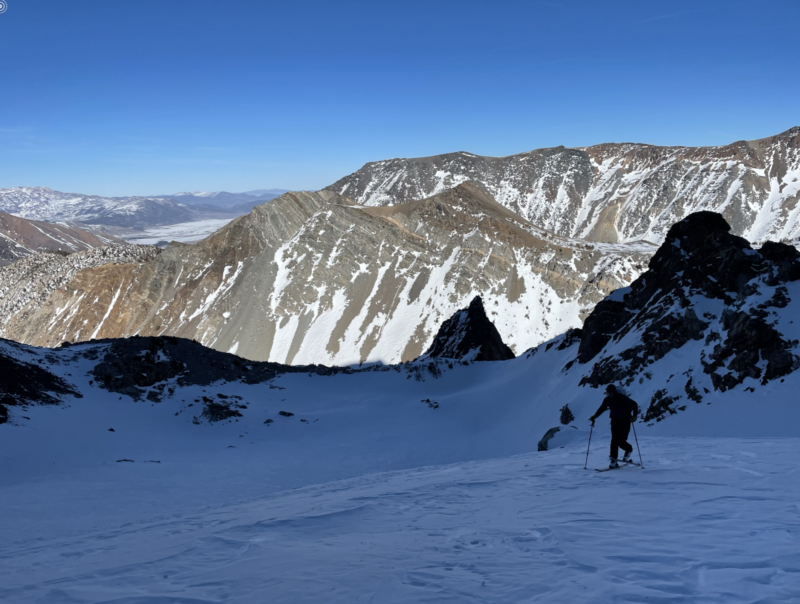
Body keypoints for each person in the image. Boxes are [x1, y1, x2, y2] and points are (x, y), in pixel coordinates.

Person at [589, 384, 639, 469]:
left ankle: (628, 449)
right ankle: (613, 460)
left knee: (620, 440)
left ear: (614, 392)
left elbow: (634, 404)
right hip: (614, 421)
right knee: (614, 440)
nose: (608, 394)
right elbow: (602, 408)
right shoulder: (608, 399)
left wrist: (634, 416)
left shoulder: (621, 398)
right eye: (608, 392)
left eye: (610, 392)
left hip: (625, 421)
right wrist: (594, 416)